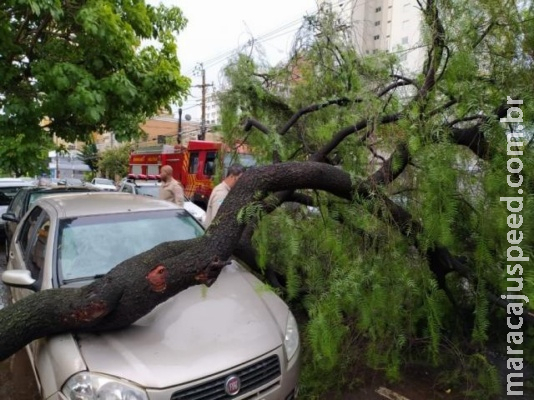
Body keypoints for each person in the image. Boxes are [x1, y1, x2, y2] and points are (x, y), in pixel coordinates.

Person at [203, 164, 245, 228]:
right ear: (231, 176)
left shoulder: (226, 190)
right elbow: (217, 220)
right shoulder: (221, 194)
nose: (241, 183)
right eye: (239, 179)